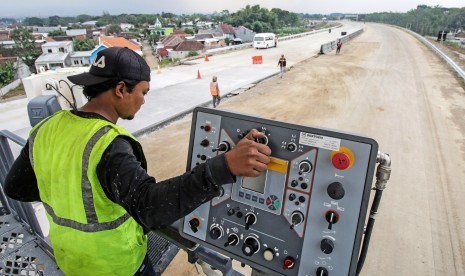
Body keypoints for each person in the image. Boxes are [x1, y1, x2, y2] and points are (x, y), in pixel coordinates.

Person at [4, 47, 272, 276]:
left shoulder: (47, 127)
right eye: (143, 92)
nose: (144, 100)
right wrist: (223, 167)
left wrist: (68, 192)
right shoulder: (108, 144)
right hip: (117, 266)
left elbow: (16, 187)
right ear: (121, 89)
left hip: (71, 261)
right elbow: (149, 207)